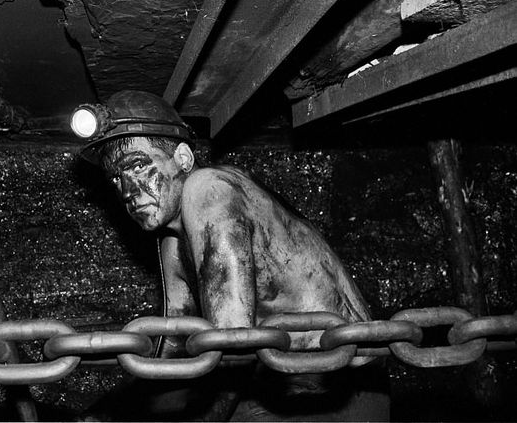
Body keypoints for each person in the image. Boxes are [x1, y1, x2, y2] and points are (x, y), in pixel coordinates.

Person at [72, 90, 389, 421]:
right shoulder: (171, 237)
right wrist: (113, 412)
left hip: (341, 390)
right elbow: (176, 348)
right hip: (282, 384)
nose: (128, 189)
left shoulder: (209, 190)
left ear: (182, 158)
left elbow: (233, 346)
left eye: (138, 165)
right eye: (115, 177)